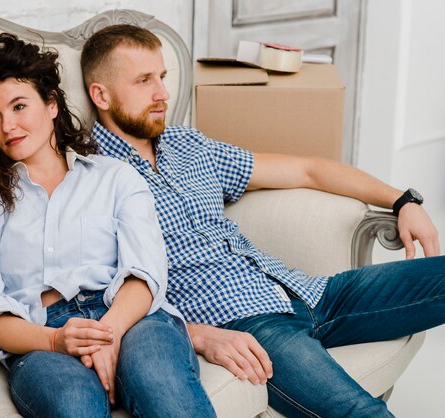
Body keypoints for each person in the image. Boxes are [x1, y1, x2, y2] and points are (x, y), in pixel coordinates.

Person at [81, 24, 445, 417]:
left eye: (163, 77)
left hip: (309, 291)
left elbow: (308, 171)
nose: (163, 94)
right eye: (144, 81)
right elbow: (89, 303)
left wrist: (402, 200)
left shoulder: (188, 144)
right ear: (100, 94)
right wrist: (198, 336)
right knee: (362, 412)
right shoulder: (89, 179)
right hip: (248, 325)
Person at [0, 33, 215, 418]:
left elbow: (146, 273)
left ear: (51, 105)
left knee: (159, 383)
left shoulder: (115, 177)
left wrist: (107, 334)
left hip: (129, 317)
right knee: (73, 405)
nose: (8, 126)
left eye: (19, 106)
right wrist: (57, 340)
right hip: (41, 333)